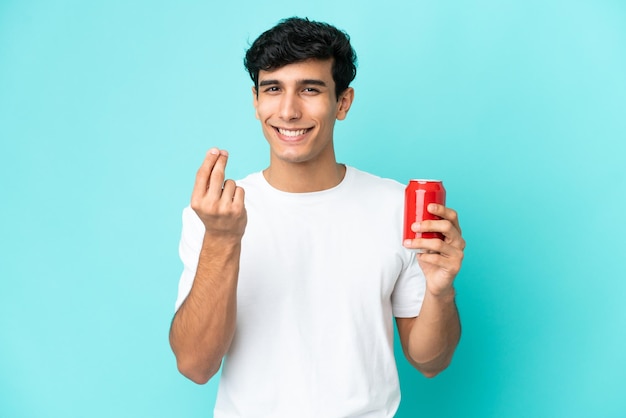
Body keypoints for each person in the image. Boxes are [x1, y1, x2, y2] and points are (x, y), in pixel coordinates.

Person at [169, 17, 465, 417]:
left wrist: (441, 290)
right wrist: (222, 240)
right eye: (273, 89)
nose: (289, 111)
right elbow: (195, 366)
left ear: (343, 102)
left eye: (310, 89)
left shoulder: (396, 206)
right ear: (256, 102)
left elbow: (431, 362)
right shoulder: (215, 213)